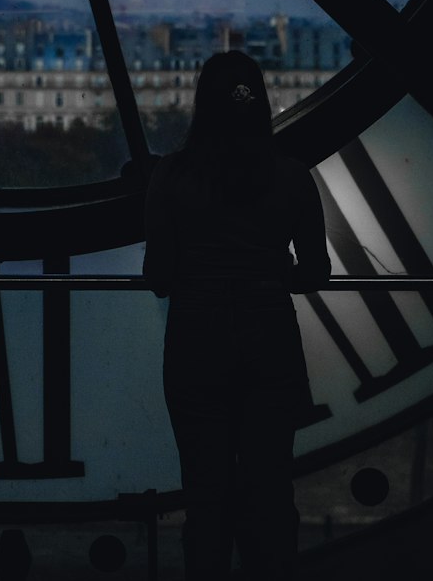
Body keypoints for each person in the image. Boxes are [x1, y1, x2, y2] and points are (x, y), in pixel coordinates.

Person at [143, 50, 331, 580]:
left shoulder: (172, 175)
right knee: (270, 493)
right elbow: (317, 272)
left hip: (197, 342)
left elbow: (159, 274)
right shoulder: (292, 176)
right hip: (269, 337)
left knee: (206, 498)